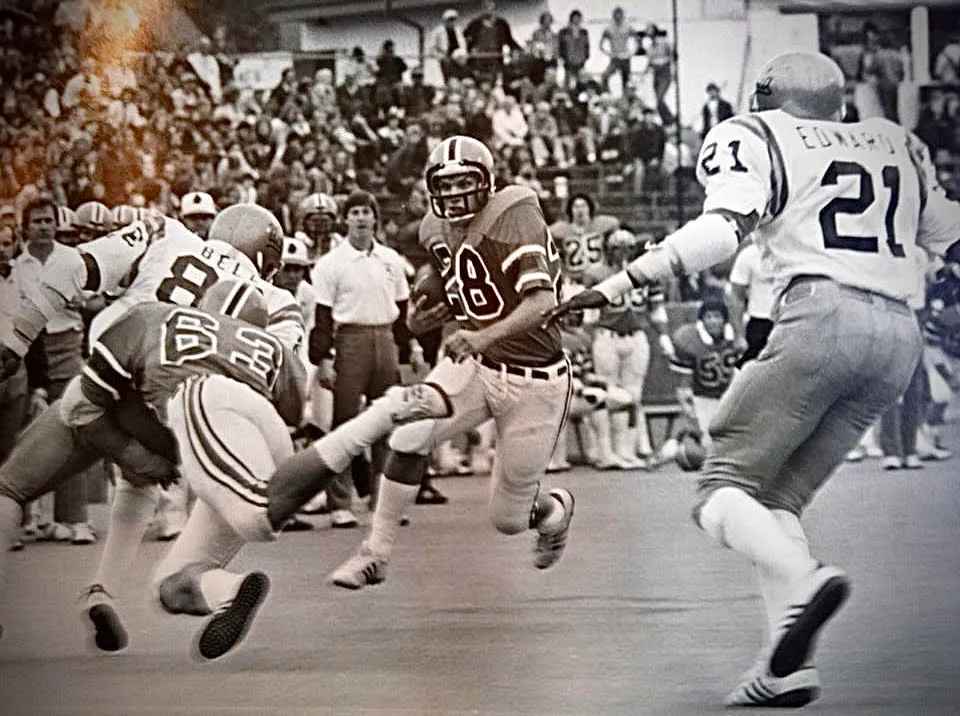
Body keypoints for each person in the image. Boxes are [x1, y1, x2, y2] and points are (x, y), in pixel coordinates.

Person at [546, 51, 960, 707]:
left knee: (719, 490)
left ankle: (805, 579)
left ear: (770, 95)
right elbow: (951, 234)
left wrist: (622, 283)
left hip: (823, 315)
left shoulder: (760, 134)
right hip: (897, 338)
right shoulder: (894, 142)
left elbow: (721, 231)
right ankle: (784, 666)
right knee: (775, 502)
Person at [0, 205, 303, 649]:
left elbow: (70, 266)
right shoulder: (279, 302)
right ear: (270, 262)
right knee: (145, 485)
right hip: (186, 418)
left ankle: (96, 589)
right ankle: (106, 590)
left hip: (116, 373)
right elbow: (287, 386)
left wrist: (18, 338)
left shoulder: (169, 234)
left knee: (11, 487)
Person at [329, 135, 575, 589]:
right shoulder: (433, 230)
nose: (456, 195)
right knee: (409, 434)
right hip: (478, 366)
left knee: (509, 517)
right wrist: (423, 317)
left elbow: (541, 301)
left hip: (535, 378)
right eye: (446, 185)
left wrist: (480, 334)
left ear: (487, 183)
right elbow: (438, 307)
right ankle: (375, 553)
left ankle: (553, 511)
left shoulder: (513, 212)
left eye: (466, 183)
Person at [59, 281, 304, 660]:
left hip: (210, 421)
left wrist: (130, 451)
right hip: (264, 451)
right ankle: (230, 590)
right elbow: (292, 414)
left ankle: (109, 586)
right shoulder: (275, 348)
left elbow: (84, 401)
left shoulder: (150, 316)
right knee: (171, 585)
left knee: (85, 415)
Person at [308, 191, 418, 528]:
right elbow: (322, 317)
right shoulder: (331, 264)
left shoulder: (391, 260)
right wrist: (323, 358)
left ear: (374, 218)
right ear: (345, 220)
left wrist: (410, 347)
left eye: (365, 212)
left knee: (387, 422)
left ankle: (382, 500)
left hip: (384, 338)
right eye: (354, 212)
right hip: (349, 340)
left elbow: (401, 313)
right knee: (345, 424)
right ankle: (340, 502)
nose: (360, 218)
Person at [582, 229, 669, 466]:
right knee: (608, 393)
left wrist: (663, 336)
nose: (622, 253)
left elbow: (656, 307)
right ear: (607, 250)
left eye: (626, 248)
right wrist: (587, 342)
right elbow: (589, 315)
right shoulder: (595, 273)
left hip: (637, 335)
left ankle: (629, 449)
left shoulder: (647, 271)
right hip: (606, 335)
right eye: (616, 248)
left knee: (634, 395)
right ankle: (604, 451)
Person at [667, 297, 741, 448]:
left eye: (717, 317)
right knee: (708, 446)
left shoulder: (735, 341)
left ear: (725, 320)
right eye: (709, 317)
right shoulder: (690, 340)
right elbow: (684, 383)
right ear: (702, 320)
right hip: (703, 399)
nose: (713, 321)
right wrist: (689, 409)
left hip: (728, 399)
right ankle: (679, 442)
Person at [550, 193, 620, 286]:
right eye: (576, 206)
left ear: (590, 208)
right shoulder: (561, 229)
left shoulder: (600, 224)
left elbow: (615, 224)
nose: (580, 210)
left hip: (600, 274)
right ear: (570, 210)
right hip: (573, 278)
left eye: (583, 206)